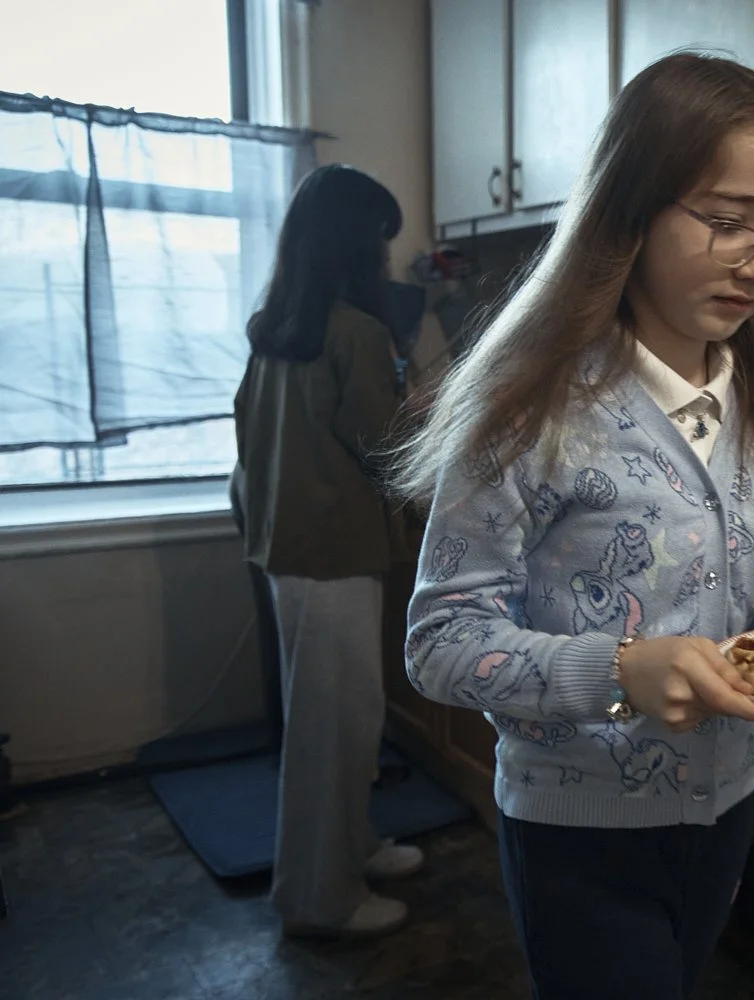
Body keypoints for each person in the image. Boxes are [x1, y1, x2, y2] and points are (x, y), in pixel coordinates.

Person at [395, 54, 754, 999]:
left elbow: (751, 588)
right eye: (727, 222)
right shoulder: (527, 411)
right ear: (630, 208)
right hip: (577, 822)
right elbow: (441, 643)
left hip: (726, 801)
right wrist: (617, 672)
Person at [233, 163, 423, 939]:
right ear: (354, 242)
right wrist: (426, 415)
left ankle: (355, 847)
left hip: (290, 551)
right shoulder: (357, 332)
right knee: (336, 729)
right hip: (337, 554)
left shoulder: (276, 328)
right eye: (379, 240)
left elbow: (251, 434)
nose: (384, 257)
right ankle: (320, 898)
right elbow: (386, 449)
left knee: (337, 718)